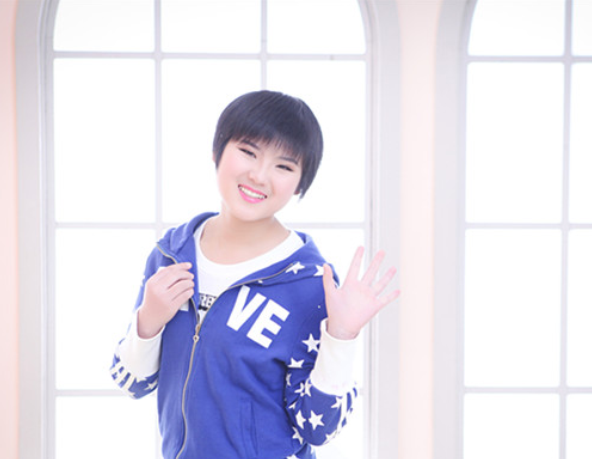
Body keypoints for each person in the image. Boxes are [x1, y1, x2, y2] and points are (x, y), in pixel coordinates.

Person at [110, 90, 399, 459]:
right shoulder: (171, 255)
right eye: (248, 152)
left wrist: (341, 337)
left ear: (300, 184)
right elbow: (132, 382)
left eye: (284, 166)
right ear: (217, 151)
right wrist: (148, 320)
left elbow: (319, 428)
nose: (259, 176)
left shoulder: (310, 284)